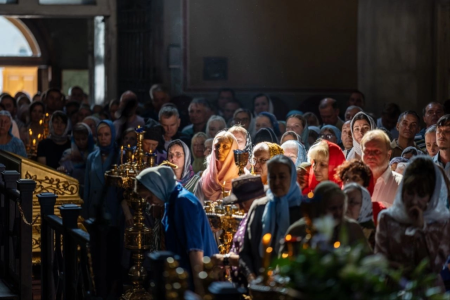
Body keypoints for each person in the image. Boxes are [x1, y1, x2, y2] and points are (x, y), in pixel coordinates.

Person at [135, 166, 218, 294]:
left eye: (149, 197)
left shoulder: (183, 202)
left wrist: (200, 288)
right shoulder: (171, 202)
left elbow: (195, 249)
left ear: (157, 187)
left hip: (195, 277)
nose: (150, 202)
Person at [375, 156, 450, 289]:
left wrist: (420, 227)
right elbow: (380, 261)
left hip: (428, 290)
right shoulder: (388, 218)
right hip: (393, 287)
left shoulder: (441, 222)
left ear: (431, 196)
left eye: (421, 194)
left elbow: (434, 265)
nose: (414, 200)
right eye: (409, 192)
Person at [240, 155, 302, 282]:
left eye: (282, 176)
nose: (277, 182)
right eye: (272, 177)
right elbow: (245, 252)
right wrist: (251, 277)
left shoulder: (303, 210)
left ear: (292, 178)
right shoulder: (259, 207)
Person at [83, 120, 123, 295]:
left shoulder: (119, 156)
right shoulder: (92, 156)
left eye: (107, 134)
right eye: (100, 135)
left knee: (112, 258)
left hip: (113, 214)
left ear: (112, 135)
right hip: (95, 213)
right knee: (97, 258)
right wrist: (86, 215)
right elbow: (87, 186)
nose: (103, 138)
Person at [212, 175, 266, 286]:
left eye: (243, 202)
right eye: (238, 203)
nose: (240, 207)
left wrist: (226, 259)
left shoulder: (263, 220)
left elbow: (255, 257)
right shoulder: (247, 216)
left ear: (260, 197)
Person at [283, 182, 367, 254]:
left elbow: (368, 262)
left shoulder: (352, 228)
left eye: (341, 207)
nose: (338, 213)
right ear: (319, 208)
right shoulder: (298, 230)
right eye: (333, 208)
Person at [361, 129, 402, 208]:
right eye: (366, 151)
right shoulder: (352, 182)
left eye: (376, 151)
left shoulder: (402, 185)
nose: (370, 156)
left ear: (388, 155)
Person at [194, 131, 240, 202]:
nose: (220, 150)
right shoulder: (204, 180)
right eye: (217, 146)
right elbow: (196, 209)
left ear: (233, 149)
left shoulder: (243, 179)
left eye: (225, 146)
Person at [58, 123, 97, 193]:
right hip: (72, 190)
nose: (81, 142)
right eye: (77, 139)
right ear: (73, 139)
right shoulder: (68, 154)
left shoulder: (96, 153)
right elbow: (64, 175)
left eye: (84, 139)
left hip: (92, 191)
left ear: (89, 137)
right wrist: (62, 171)